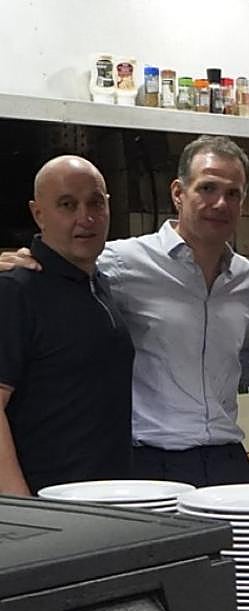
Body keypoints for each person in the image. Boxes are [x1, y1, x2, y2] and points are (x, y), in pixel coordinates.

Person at [0, 135, 249, 488]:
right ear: (178, 193)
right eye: (207, 188)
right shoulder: (120, 262)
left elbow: (245, 360)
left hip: (226, 459)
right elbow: (60, 257)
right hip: (150, 461)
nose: (220, 203)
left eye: (233, 194)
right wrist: (12, 261)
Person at [0, 156, 133, 494]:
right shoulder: (16, 289)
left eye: (95, 202)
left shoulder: (99, 283)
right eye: (66, 204)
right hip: (50, 509)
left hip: (109, 502)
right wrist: (24, 508)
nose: (85, 218)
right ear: (38, 213)